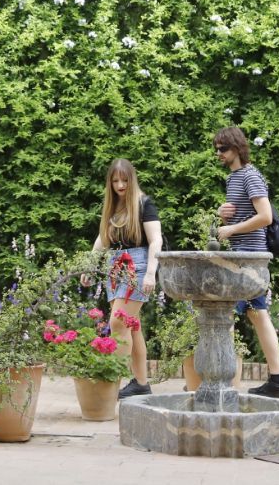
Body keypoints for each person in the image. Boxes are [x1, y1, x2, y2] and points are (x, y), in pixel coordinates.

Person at [213, 126, 279, 398]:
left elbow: (265, 217)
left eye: (222, 148)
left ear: (237, 148)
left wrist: (231, 230)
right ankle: (277, 379)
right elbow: (243, 215)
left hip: (251, 257)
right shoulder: (233, 178)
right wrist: (224, 215)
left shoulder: (251, 176)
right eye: (216, 149)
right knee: (255, 314)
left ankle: (227, 384)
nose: (218, 154)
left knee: (230, 317)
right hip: (241, 256)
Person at [86, 158, 163, 399]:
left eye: (124, 180)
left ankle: (110, 380)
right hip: (115, 268)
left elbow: (156, 240)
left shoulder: (144, 204)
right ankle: (140, 383)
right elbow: (102, 239)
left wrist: (151, 273)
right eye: (115, 180)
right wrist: (89, 266)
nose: (120, 185)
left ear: (132, 180)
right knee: (132, 326)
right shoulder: (114, 207)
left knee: (118, 323)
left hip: (137, 266)